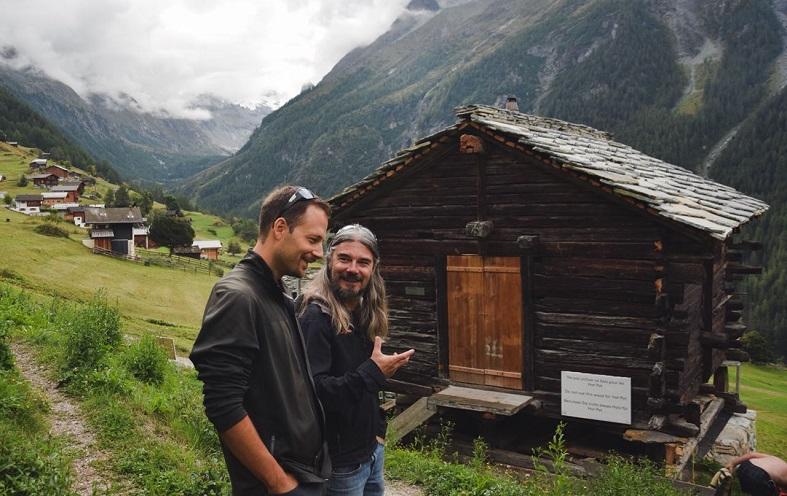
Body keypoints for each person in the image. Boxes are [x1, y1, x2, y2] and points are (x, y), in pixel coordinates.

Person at [190, 185, 332, 496]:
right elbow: (222, 405)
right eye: (313, 240)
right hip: (279, 484)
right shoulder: (238, 296)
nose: (319, 253)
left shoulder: (277, 293)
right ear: (280, 228)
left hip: (304, 475)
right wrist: (279, 483)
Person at [298, 224, 414, 496]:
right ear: (329, 260)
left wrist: (378, 434)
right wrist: (372, 373)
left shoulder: (361, 311)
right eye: (344, 259)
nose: (353, 269)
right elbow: (314, 394)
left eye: (363, 262)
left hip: (370, 451)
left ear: (373, 268)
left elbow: (360, 384)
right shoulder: (316, 317)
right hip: (340, 464)